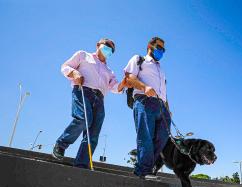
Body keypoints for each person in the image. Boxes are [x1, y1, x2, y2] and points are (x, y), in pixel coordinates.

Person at [53, 38, 125, 168]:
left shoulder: (109, 71)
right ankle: (61, 144)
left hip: (100, 98)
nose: (110, 50)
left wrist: (125, 83)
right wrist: (74, 72)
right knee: (83, 118)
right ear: (98, 45)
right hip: (83, 90)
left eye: (112, 50)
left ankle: (81, 163)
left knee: (93, 134)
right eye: (107, 45)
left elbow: (115, 87)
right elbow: (65, 66)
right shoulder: (83, 55)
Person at [121, 37, 171, 178]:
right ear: (150, 46)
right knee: (146, 136)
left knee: (163, 137)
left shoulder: (160, 69)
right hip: (145, 101)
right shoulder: (139, 59)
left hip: (162, 106)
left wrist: (168, 108)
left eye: (163, 50)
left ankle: (147, 166)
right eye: (159, 48)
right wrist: (144, 87)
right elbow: (129, 78)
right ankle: (144, 170)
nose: (162, 51)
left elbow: (164, 90)